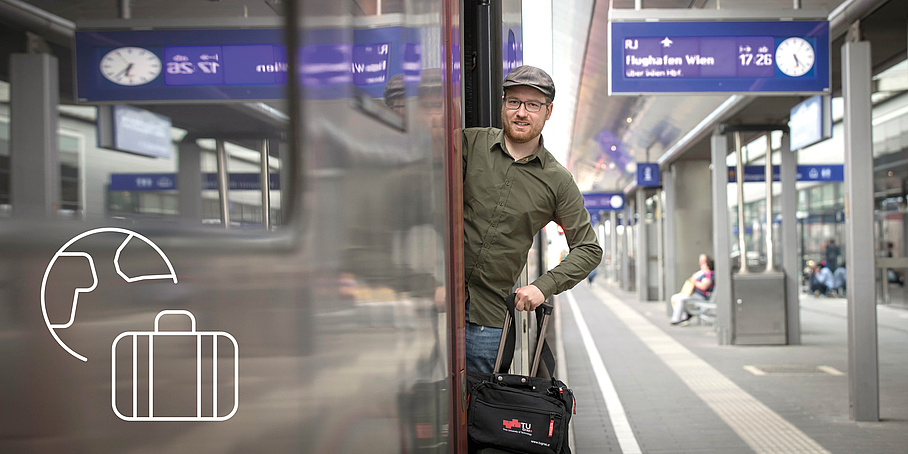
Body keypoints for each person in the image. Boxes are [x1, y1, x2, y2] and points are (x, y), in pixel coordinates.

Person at [462, 65, 602, 373]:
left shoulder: (558, 181)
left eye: (532, 105)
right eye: (513, 102)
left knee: (478, 412)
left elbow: (589, 249)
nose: (521, 113)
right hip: (438, 304)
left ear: (548, 112)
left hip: (487, 319)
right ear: (503, 104)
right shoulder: (470, 145)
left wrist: (543, 287)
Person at [670, 254, 714, 325]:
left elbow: (704, 286)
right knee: (675, 298)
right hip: (694, 293)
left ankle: (677, 319)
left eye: (703, 261)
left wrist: (694, 281)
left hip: (701, 295)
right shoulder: (701, 272)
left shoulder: (708, 274)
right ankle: (684, 316)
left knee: (680, 299)